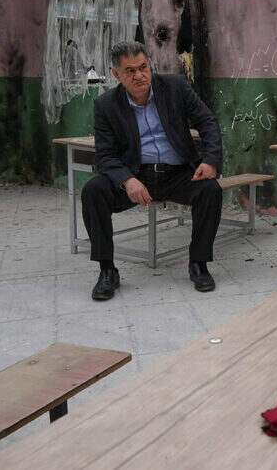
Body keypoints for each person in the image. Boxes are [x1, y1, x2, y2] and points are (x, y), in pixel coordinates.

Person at [81, 41, 223, 300]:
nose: (139, 75)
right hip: (137, 175)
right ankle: (107, 270)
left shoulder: (175, 87)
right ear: (116, 74)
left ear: (150, 65)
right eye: (130, 71)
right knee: (93, 191)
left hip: (178, 173)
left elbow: (207, 121)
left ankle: (198, 264)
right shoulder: (106, 105)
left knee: (210, 190)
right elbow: (105, 156)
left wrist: (210, 160)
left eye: (143, 67)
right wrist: (127, 180)